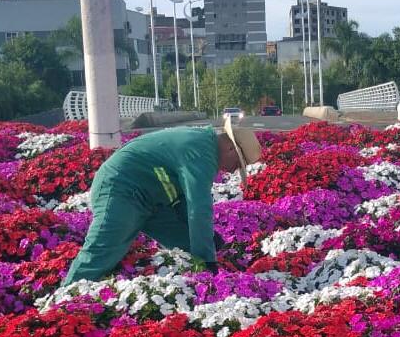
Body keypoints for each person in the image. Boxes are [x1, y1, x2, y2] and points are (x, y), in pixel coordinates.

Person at [62, 119, 261, 286]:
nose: (234, 170)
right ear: (230, 148)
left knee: (188, 245)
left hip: (152, 199)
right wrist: (208, 261)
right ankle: (63, 301)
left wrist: (210, 242)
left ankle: (200, 287)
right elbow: (198, 208)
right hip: (122, 188)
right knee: (102, 251)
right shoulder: (203, 151)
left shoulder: (203, 145)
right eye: (238, 164)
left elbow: (182, 200)